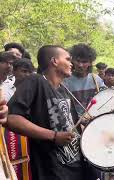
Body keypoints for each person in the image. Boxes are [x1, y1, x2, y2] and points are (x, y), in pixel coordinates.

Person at [6, 45, 85, 180]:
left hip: (76, 168)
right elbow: (11, 118)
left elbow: (73, 128)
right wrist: (53, 135)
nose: (71, 64)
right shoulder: (35, 81)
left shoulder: (65, 90)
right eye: (67, 59)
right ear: (54, 61)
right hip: (52, 171)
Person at [64, 43, 105, 116]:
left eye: (84, 62)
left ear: (90, 63)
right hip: (73, 122)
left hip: (92, 120)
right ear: (72, 60)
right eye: (78, 61)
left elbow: (105, 98)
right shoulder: (64, 80)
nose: (80, 65)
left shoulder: (96, 80)